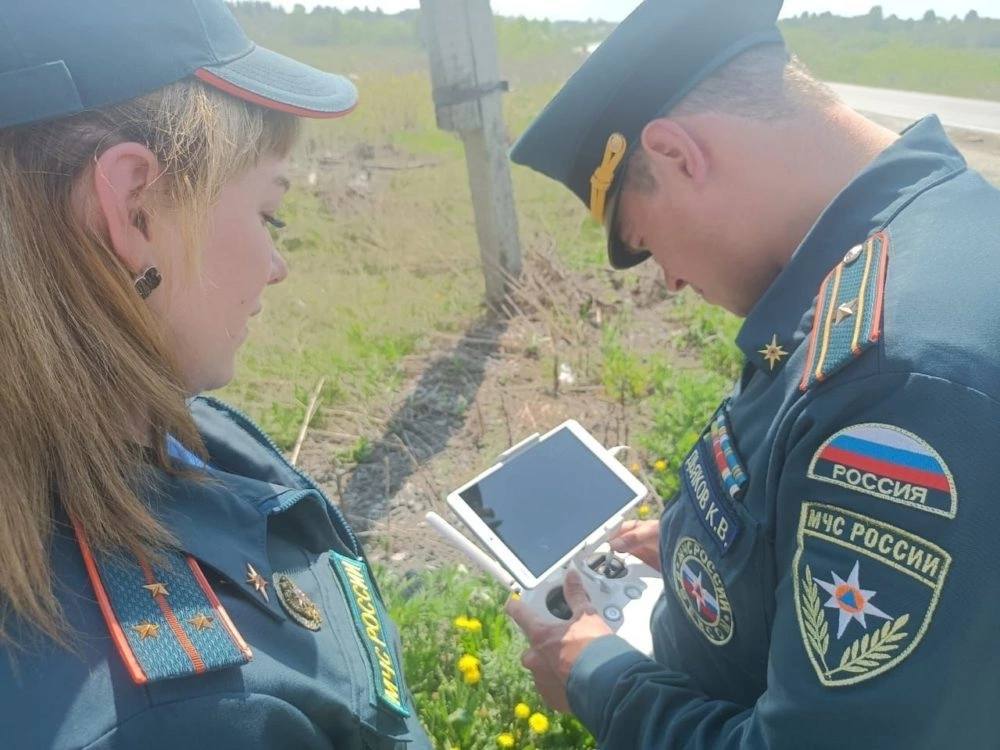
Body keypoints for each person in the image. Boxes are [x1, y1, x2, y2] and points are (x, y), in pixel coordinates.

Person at [506, 0, 1000, 747]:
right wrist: (691, 544)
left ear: (677, 155)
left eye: (643, 241)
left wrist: (600, 681)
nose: (666, 279)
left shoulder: (893, 379)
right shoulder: (913, 233)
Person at [0, 2, 432, 748]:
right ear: (134, 208)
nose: (276, 267)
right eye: (270, 214)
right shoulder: (178, 717)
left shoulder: (181, 425)